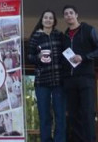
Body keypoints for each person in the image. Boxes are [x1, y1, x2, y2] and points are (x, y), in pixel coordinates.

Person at [61, 5, 98, 142]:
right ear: (64, 17)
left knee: (87, 113)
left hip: (85, 78)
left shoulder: (88, 30)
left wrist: (84, 57)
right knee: (73, 115)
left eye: (71, 13)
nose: (69, 15)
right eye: (66, 14)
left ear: (77, 15)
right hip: (70, 80)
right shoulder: (64, 36)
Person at [27, 9, 66, 142]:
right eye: (45, 17)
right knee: (44, 115)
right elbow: (30, 56)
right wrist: (38, 57)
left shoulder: (59, 35)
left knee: (60, 114)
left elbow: (67, 53)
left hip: (58, 81)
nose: (48, 20)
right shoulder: (36, 36)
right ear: (42, 20)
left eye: (51, 18)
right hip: (42, 82)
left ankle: (59, 140)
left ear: (54, 21)